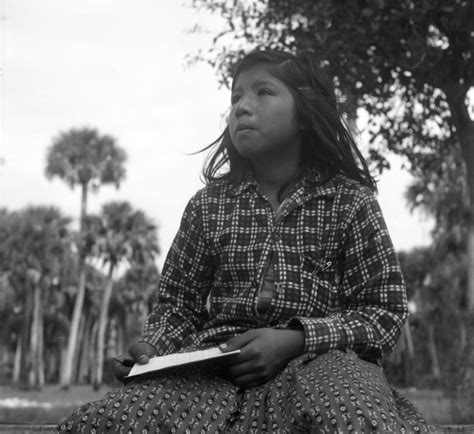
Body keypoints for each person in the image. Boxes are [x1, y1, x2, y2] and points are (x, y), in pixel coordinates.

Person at [59, 49, 430, 432]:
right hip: (214, 371)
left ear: (305, 112)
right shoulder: (208, 205)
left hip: (322, 364)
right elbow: (178, 305)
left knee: (350, 416)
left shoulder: (350, 201)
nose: (241, 108)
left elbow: (382, 313)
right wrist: (152, 349)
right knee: (108, 421)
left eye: (263, 92)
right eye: (236, 97)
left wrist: (294, 340)